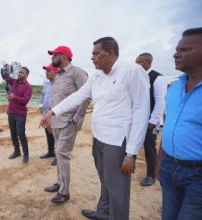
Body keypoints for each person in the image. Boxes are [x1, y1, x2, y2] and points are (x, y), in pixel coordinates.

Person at [40, 37, 150, 219]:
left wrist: (131, 153)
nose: (92, 58)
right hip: (99, 138)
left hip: (117, 140)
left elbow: (141, 111)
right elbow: (79, 95)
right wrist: (53, 112)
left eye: (96, 53)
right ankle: (103, 212)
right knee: (105, 179)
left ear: (111, 54)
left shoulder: (132, 72)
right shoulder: (97, 75)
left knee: (118, 188)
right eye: (92, 54)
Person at [155, 27, 202, 220]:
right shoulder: (174, 87)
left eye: (184, 50)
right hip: (169, 168)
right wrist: (160, 161)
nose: (176, 54)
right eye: (177, 49)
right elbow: (170, 127)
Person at [42, 46, 90, 204]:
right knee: (58, 152)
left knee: (62, 153)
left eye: (54, 55)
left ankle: (64, 192)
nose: (52, 58)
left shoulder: (77, 72)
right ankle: (59, 183)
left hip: (69, 121)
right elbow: (55, 100)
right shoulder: (57, 75)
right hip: (56, 121)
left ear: (63, 56)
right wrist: (50, 118)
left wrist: (77, 117)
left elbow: (86, 95)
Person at [135, 53, 167, 186]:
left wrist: (152, 121)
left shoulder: (157, 78)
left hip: (154, 119)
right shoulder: (137, 76)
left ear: (148, 63)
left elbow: (161, 103)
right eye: (136, 62)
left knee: (149, 146)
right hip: (140, 117)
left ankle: (151, 175)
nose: (136, 64)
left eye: (140, 62)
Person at [2, 66, 33, 163]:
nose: (19, 74)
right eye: (19, 72)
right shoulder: (14, 81)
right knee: (13, 133)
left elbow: (25, 101)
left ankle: (26, 154)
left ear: (27, 75)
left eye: (22, 72)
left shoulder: (28, 87)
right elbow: (6, 78)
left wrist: (14, 98)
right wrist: (4, 70)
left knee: (20, 133)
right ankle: (17, 151)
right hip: (11, 112)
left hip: (20, 114)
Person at [39, 64, 58, 166]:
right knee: (48, 132)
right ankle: (50, 151)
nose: (46, 73)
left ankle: (58, 156)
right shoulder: (46, 84)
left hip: (55, 114)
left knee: (56, 134)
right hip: (46, 113)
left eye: (49, 71)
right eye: (46, 71)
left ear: (55, 71)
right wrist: (41, 108)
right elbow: (42, 96)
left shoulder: (59, 84)